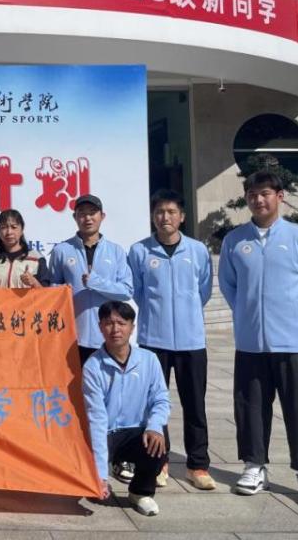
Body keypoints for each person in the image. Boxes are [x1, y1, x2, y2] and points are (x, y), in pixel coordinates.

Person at [219, 170, 298, 508]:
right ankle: (254, 466)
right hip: (251, 343)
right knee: (250, 408)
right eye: (252, 194)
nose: (258, 200)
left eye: (265, 193)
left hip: (294, 344)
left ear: (279, 197)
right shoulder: (235, 241)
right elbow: (229, 286)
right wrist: (247, 317)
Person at [129, 189, 216, 491]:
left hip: (192, 341)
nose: (164, 217)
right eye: (159, 212)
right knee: (155, 404)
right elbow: (137, 292)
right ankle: (159, 462)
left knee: (195, 404)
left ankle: (198, 465)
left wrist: (186, 313)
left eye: (170, 212)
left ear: (182, 216)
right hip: (154, 340)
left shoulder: (197, 251)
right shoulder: (140, 251)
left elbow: (203, 290)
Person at [83, 300, 170, 517]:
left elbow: (160, 399)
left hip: (135, 431)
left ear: (132, 327)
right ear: (100, 327)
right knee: (92, 485)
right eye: (108, 323)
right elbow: (96, 418)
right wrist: (100, 475)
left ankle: (140, 492)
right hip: (106, 433)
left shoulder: (149, 360)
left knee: (158, 439)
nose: (115, 329)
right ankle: (103, 471)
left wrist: (155, 426)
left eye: (121, 323)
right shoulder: (93, 366)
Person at [49, 194, 133, 366]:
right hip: (72, 335)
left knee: (106, 381)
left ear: (102, 216)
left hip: (107, 335)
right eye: (82, 213)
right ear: (75, 217)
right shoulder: (61, 250)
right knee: (75, 383)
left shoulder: (115, 251)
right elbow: (52, 290)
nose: (87, 218)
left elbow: (126, 291)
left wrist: (96, 283)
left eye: (92, 213)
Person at [0, 208, 50, 288]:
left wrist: (34, 282)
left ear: (22, 229)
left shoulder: (36, 258)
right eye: (3, 227)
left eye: (14, 227)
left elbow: (47, 294)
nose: (9, 232)